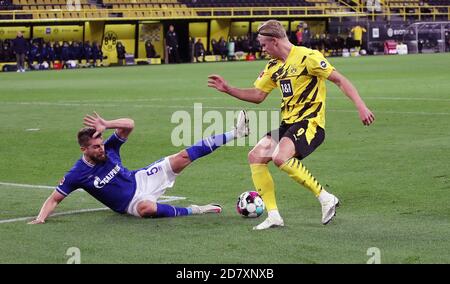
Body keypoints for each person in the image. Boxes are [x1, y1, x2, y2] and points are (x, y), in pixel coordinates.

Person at [208, 20, 375, 230]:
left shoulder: (308, 57)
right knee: (256, 156)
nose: (261, 48)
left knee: (280, 157)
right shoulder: (273, 66)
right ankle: (274, 216)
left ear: (275, 41)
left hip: (311, 122)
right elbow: (258, 95)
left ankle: (326, 198)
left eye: (263, 44)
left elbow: (340, 80)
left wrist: (361, 106)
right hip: (288, 124)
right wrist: (229, 89)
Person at [28, 110, 249, 224]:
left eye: (101, 143)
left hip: (141, 179)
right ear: (84, 150)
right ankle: (196, 210)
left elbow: (130, 124)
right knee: (148, 209)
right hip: (130, 204)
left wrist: (107, 125)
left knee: (182, 156)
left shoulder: (110, 148)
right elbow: (54, 198)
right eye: (96, 147)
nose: (101, 148)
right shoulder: (77, 173)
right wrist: (41, 218)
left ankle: (235, 133)